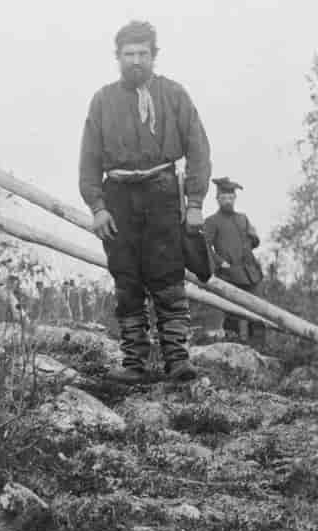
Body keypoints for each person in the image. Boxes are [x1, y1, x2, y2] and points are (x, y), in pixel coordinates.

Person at [79, 21, 212, 384]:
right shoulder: (103, 100)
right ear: (118, 57)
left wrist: (196, 201)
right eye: (128, 54)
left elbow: (198, 148)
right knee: (126, 278)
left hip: (162, 192)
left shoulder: (173, 95)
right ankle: (134, 363)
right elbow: (89, 157)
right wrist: (97, 206)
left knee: (168, 275)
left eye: (143, 54)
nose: (136, 61)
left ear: (154, 56)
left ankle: (177, 361)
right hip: (119, 195)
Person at [204, 177, 266, 349]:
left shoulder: (243, 218)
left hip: (250, 273)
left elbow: (254, 241)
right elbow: (204, 246)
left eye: (230, 198)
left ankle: (260, 350)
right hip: (229, 274)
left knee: (259, 311)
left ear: (235, 199)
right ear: (217, 199)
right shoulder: (211, 221)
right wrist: (219, 262)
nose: (227, 201)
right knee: (232, 315)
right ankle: (234, 351)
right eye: (224, 198)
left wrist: (253, 239)